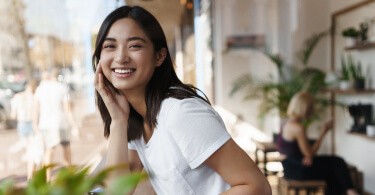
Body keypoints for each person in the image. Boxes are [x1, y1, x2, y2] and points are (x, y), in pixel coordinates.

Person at [92, 5, 271, 194]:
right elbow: (117, 192)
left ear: (159, 56)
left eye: (135, 46)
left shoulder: (181, 113)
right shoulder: (137, 118)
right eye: (110, 46)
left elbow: (257, 187)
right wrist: (118, 121)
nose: (121, 57)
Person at [277, 91, 358, 195]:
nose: (313, 111)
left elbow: (292, 149)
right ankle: (351, 191)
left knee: (332, 173)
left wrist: (305, 156)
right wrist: (324, 131)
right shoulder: (298, 128)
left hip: (290, 166)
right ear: (304, 108)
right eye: (311, 108)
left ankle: (350, 191)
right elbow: (310, 153)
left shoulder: (286, 123)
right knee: (337, 162)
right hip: (298, 170)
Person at [33, 69, 74, 180]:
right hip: (61, 123)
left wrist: (35, 125)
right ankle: (71, 177)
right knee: (66, 150)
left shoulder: (39, 89)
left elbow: (36, 109)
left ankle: (48, 179)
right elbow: (67, 109)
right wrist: (73, 124)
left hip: (45, 125)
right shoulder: (61, 88)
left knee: (48, 152)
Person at [11, 80, 38, 180]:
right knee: (33, 151)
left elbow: (13, 115)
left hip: (22, 125)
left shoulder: (17, 97)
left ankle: (31, 174)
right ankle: (31, 175)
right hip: (32, 124)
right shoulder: (34, 97)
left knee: (29, 150)